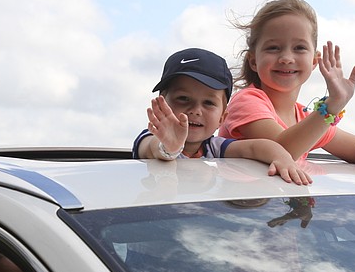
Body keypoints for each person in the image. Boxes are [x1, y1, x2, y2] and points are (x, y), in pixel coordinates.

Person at [219, 0, 355, 178]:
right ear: (253, 61)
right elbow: (282, 150)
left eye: (299, 48)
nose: (286, 58)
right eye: (273, 48)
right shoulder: (246, 101)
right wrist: (332, 105)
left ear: (314, 61)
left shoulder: (304, 118)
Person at [133, 47, 312, 186]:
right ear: (161, 105)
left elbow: (254, 148)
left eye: (208, 103)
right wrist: (169, 148)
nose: (195, 110)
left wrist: (282, 159)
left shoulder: (213, 147)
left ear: (222, 118)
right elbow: (153, 148)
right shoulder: (151, 137)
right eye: (183, 98)